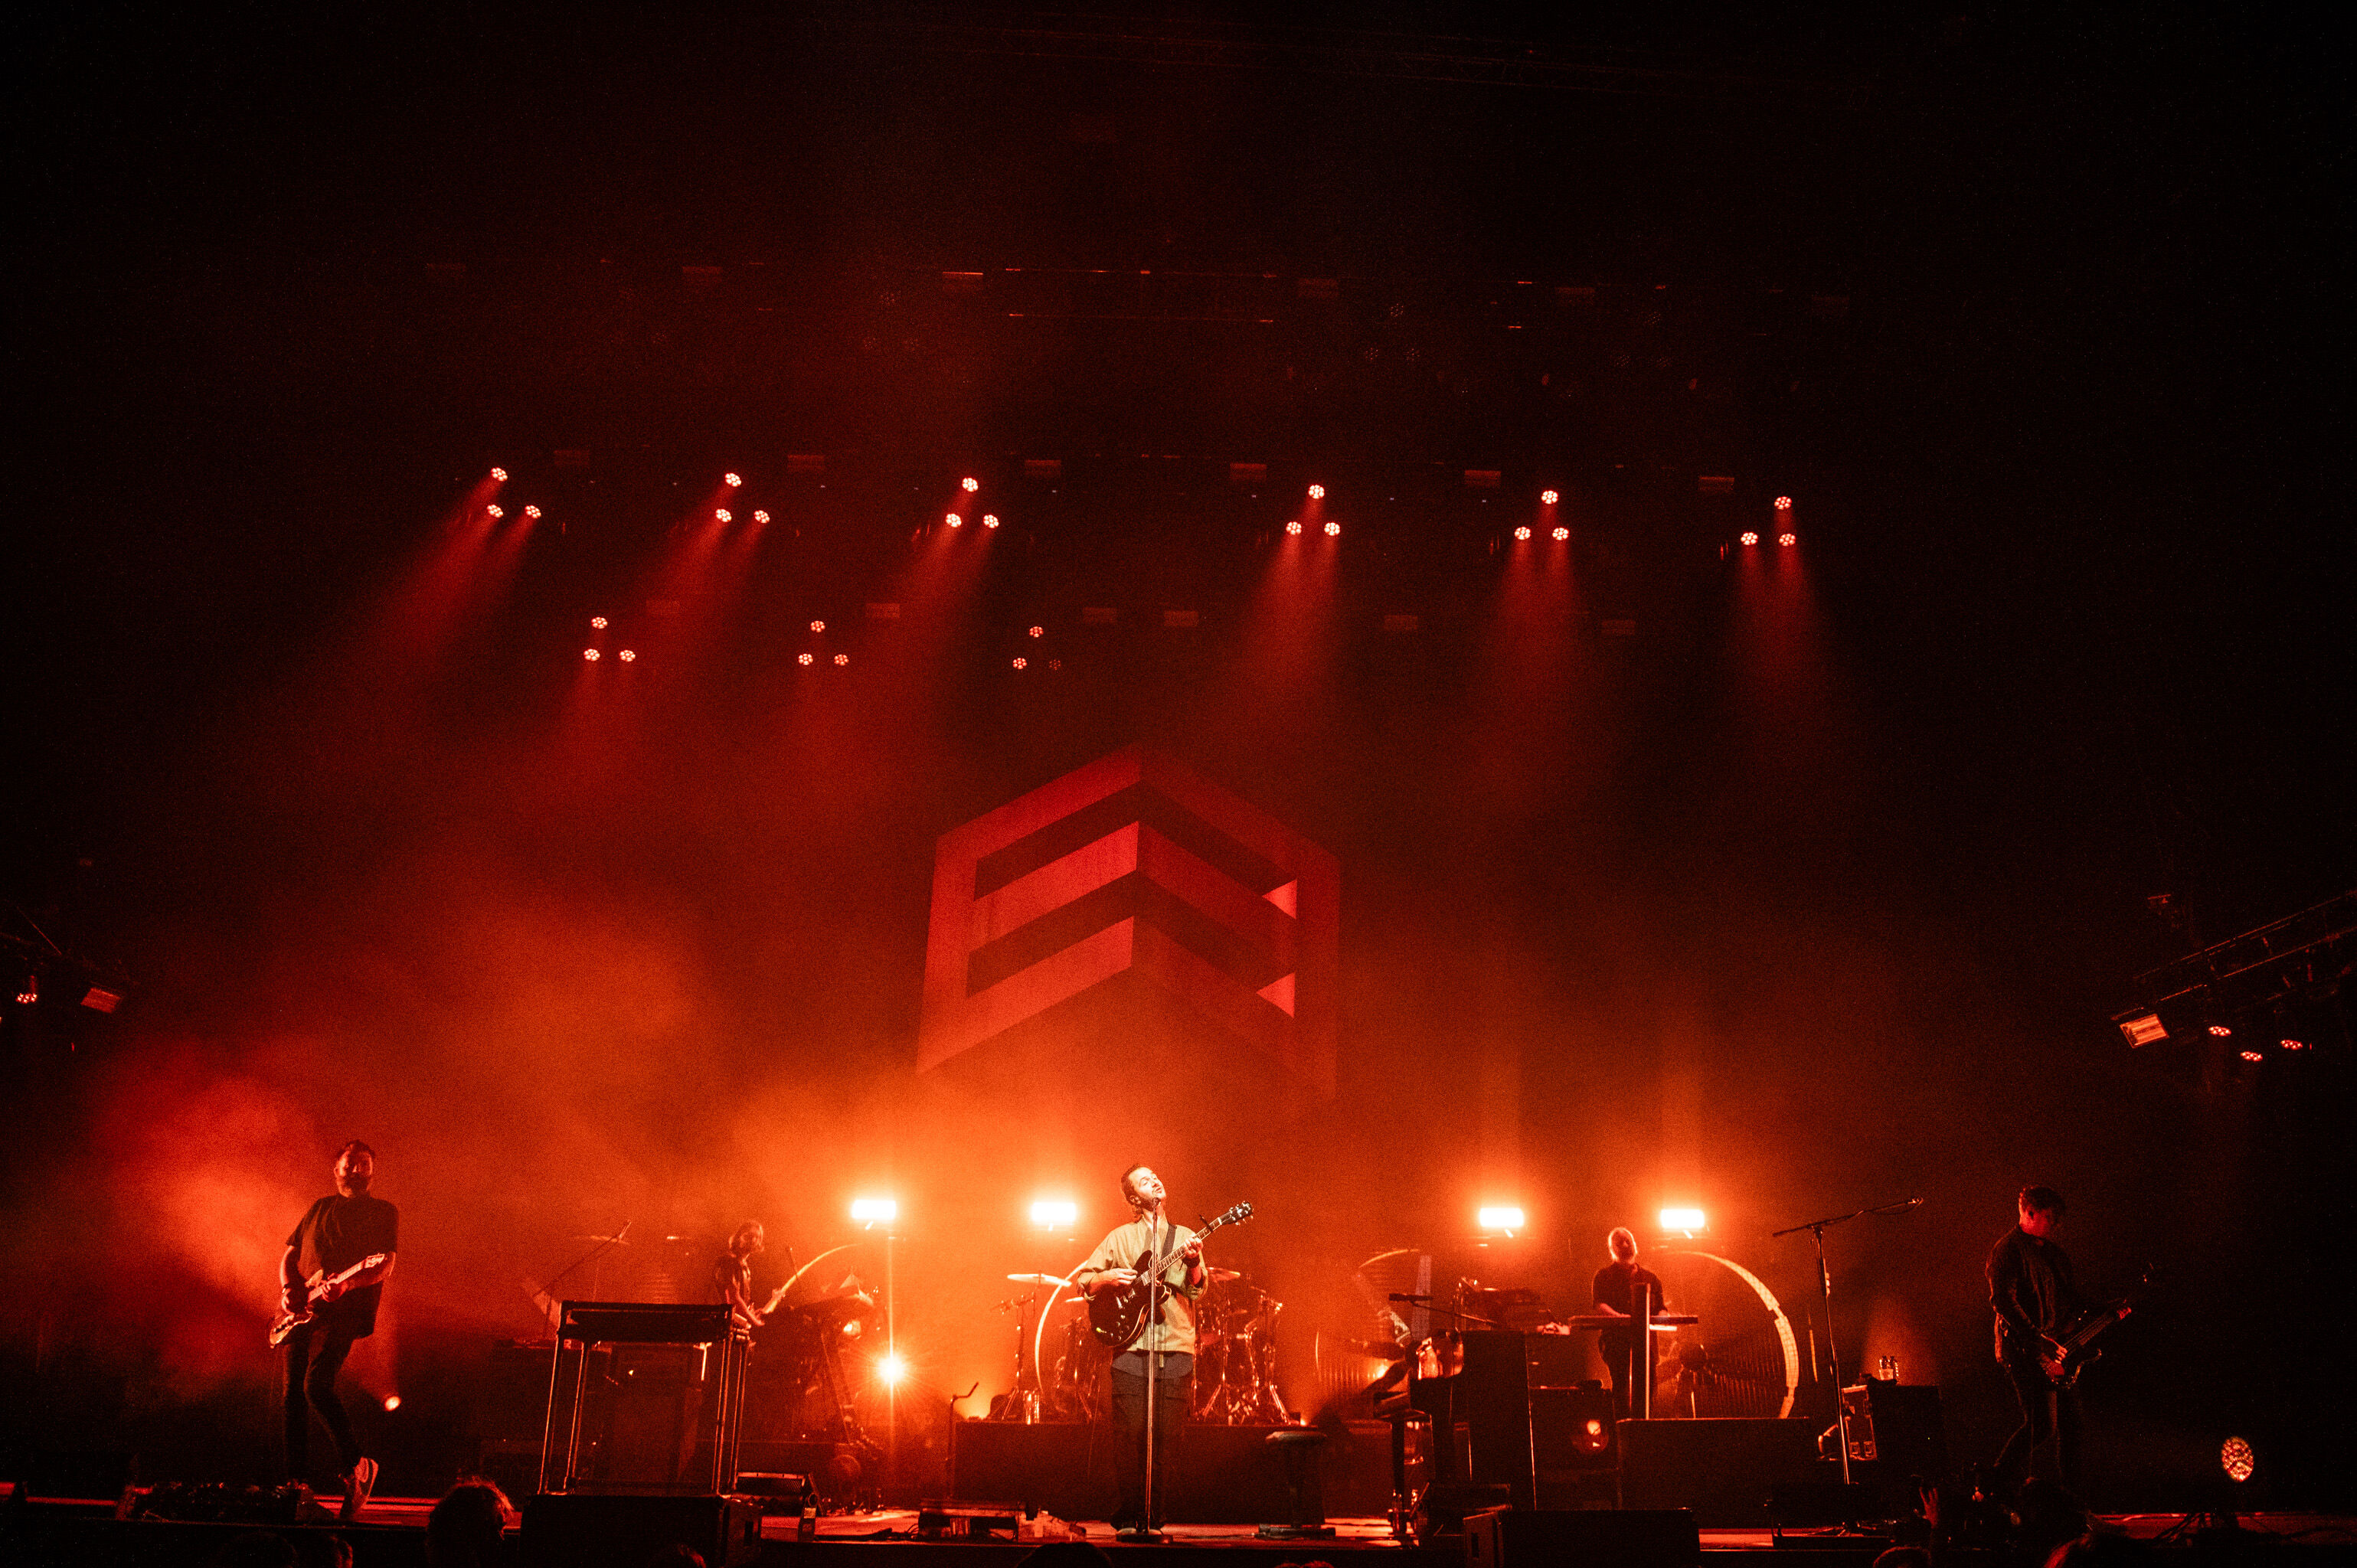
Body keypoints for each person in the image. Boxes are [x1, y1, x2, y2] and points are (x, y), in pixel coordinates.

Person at [1072, 1165, 1206, 1535]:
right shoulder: (1119, 1238)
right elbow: (1084, 1280)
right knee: (1129, 1435)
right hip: (1130, 1347)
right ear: (1134, 1197)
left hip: (1175, 1347)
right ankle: (1129, 1516)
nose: (1155, 1181)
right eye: (1145, 1181)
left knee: (1167, 1439)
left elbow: (1196, 1289)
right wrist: (1106, 1277)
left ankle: (1154, 1519)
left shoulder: (1185, 1236)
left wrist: (1194, 1262)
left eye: (1156, 1176)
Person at [280, 1140, 397, 1521]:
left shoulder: (382, 1211)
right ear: (336, 1169)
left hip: (346, 1311)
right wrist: (289, 1288)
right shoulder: (319, 1207)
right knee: (291, 1397)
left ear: (372, 1172)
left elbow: (384, 1265)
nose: (356, 1170)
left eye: (364, 1164)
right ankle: (296, 1486)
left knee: (316, 1385)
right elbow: (290, 1254)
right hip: (304, 1309)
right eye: (350, 1164)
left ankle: (357, 1467)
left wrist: (347, 1284)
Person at [1989, 1185, 2082, 1491]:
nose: (2055, 1224)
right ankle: (1991, 1486)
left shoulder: (2053, 1254)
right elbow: (2003, 1302)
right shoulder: (2007, 1250)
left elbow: (2071, 1298)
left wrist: (2108, 1309)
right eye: (2049, 1217)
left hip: (2053, 1349)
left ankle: (2074, 1501)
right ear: (2029, 1213)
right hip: (2022, 1350)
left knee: (2072, 1427)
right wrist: (2039, 1340)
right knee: (2042, 1426)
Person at [1590, 1227, 1665, 1420]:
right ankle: (1623, 1429)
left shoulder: (1650, 1278)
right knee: (1621, 1387)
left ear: (1635, 1245)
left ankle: (1645, 1429)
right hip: (1617, 1341)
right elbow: (1599, 1304)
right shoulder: (1603, 1276)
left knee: (1648, 1388)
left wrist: (1665, 1317)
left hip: (1646, 1343)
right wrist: (1619, 1317)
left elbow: (1660, 1308)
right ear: (1611, 1249)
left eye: (1628, 1241)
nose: (1625, 1245)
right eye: (1619, 1242)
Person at [714, 1221, 774, 1329]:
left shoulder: (744, 1266)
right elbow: (734, 1299)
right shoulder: (729, 1260)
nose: (754, 1240)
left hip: (735, 1326)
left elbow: (740, 1303)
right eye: (750, 1236)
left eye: (757, 1237)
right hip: (722, 1326)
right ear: (739, 1237)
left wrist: (752, 1313)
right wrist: (755, 1321)